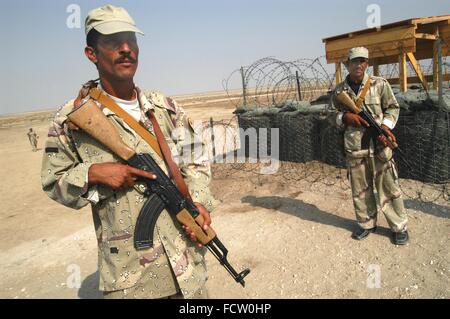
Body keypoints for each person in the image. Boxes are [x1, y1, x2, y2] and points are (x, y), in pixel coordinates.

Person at [41, 4, 219, 298]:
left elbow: (197, 159)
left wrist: (196, 202)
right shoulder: (71, 118)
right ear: (92, 54)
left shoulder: (165, 108)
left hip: (187, 267)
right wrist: (94, 173)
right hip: (132, 278)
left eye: (131, 40)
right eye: (113, 42)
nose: (126, 49)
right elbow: (53, 181)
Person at [329, 47, 409, 245]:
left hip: (379, 146)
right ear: (347, 64)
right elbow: (329, 115)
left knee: (389, 188)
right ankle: (366, 223)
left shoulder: (379, 84)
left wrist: (384, 127)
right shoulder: (340, 91)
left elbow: (392, 107)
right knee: (361, 189)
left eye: (363, 61)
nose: (359, 65)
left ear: (367, 63)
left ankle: (398, 227)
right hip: (355, 148)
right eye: (354, 61)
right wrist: (344, 117)